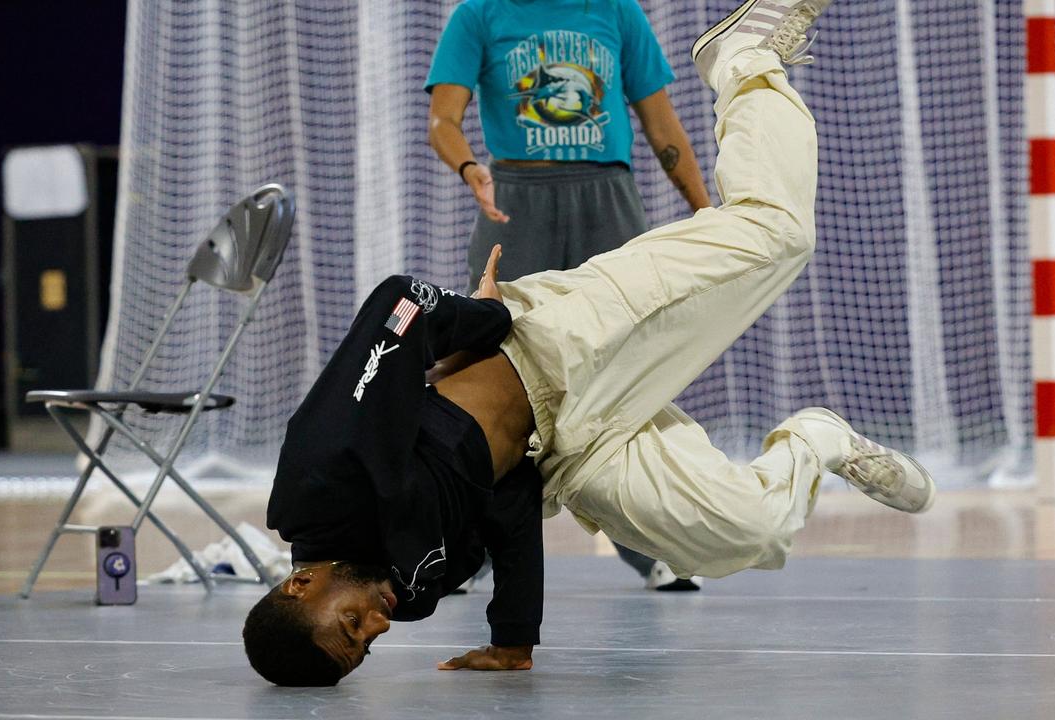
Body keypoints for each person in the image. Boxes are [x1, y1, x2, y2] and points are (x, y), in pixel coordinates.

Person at [244, 0, 935, 687]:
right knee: (744, 536)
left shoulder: (317, 491)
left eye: (352, 628)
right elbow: (509, 504)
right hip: (570, 454)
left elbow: (395, 311)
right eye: (365, 649)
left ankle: (744, 61)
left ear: (299, 588)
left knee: (778, 236)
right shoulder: (414, 589)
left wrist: (484, 319)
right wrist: (513, 637)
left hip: (556, 345)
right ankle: (821, 439)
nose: (379, 628)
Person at [425, 0, 712, 591]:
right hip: (515, 198)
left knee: (625, 377)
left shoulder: (617, 12)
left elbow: (661, 124)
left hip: (606, 197)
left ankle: (644, 543)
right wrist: (470, 168)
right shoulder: (479, 15)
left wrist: (705, 211)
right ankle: (465, 549)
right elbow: (442, 120)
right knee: (486, 372)